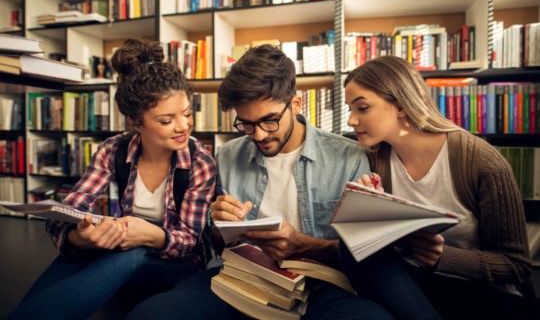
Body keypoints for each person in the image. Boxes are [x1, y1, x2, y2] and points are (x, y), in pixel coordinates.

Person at [126, 45, 443, 320]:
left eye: (269, 120)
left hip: (318, 284)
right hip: (238, 277)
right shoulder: (228, 156)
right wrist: (218, 225)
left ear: (296, 104)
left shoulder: (349, 157)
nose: (259, 134)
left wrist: (303, 245)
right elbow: (215, 243)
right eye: (246, 124)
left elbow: (363, 255)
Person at [7, 39, 216, 320]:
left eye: (187, 114)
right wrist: (80, 238)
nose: (183, 126)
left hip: (176, 265)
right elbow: (67, 211)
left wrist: (150, 234)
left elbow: (190, 243)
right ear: (136, 123)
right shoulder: (112, 150)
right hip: (124, 251)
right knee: (82, 251)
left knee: (131, 253)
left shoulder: (200, 162)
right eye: (166, 121)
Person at [341, 55, 536, 319]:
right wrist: (370, 208)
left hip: (480, 291)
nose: (351, 121)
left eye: (361, 108)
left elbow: (516, 265)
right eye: (349, 110)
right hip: (413, 283)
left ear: (400, 105)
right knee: (352, 245)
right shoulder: (376, 158)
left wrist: (443, 257)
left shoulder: (481, 162)